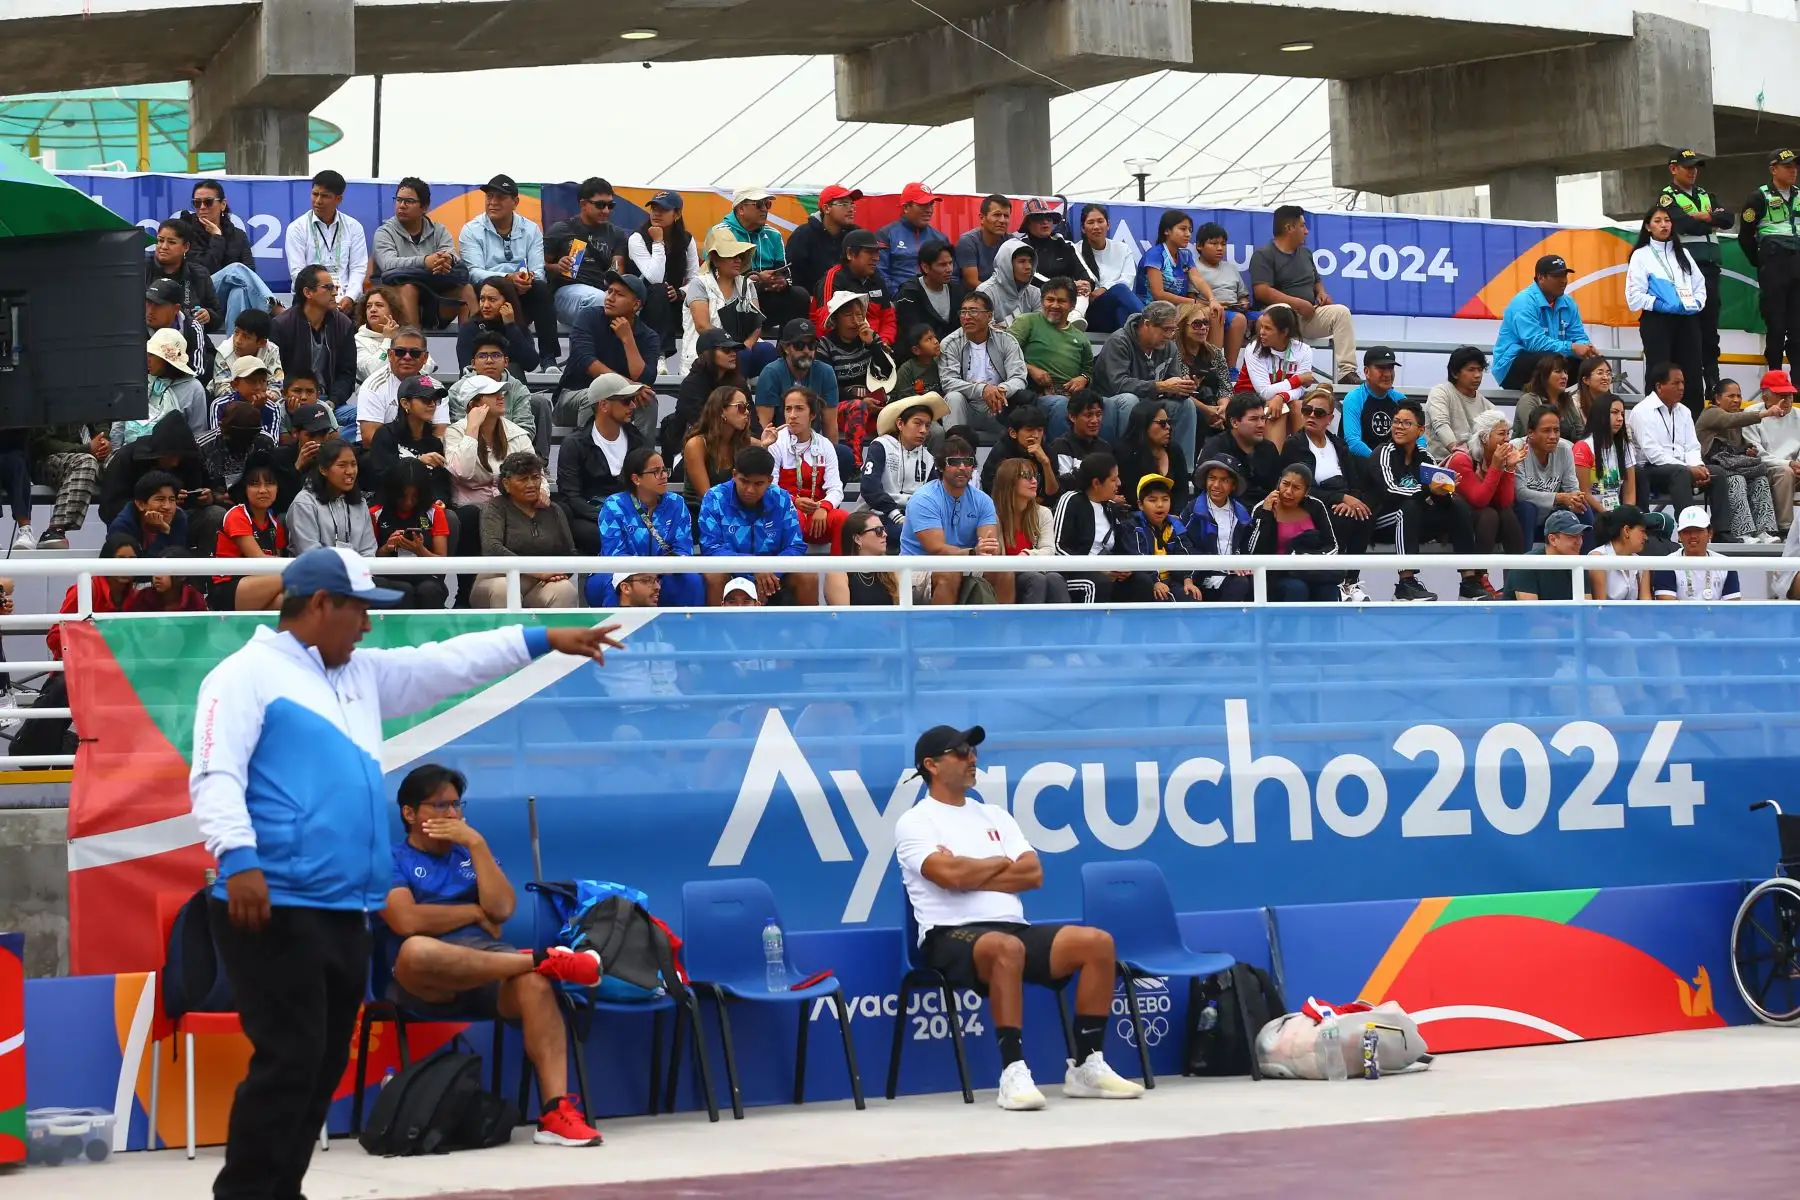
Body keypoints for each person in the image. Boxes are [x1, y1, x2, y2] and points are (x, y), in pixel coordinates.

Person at [189, 547, 620, 1200]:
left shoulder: (359, 675)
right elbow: (214, 772)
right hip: (271, 901)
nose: (368, 625)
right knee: (289, 1059)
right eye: (359, 610)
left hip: (344, 909)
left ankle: (281, 1189)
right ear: (320, 604)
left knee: (321, 1064)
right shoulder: (243, 674)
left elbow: (446, 663)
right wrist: (237, 856)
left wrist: (540, 639)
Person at [894, 724, 1144, 1111]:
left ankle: (1086, 1066)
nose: (972, 758)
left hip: (1012, 929)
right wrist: (997, 863)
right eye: (960, 752)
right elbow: (948, 875)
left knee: (1097, 943)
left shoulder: (995, 814)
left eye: (973, 750)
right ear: (932, 765)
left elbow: (1032, 874)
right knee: (1006, 948)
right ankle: (1013, 1071)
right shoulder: (916, 821)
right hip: (948, 936)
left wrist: (970, 870)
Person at [380, 763, 603, 1147]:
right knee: (416, 949)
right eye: (440, 805)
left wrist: (478, 845)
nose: (452, 814)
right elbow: (406, 920)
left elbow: (501, 910)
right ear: (410, 813)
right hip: (426, 983)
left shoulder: (470, 855)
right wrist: (471, 912)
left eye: (457, 805)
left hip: (488, 973)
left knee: (534, 986)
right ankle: (543, 960)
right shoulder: (390, 859)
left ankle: (555, 1114)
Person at [1370, 399, 1482, 601]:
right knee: (1409, 506)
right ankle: (1405, 583)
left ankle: (1469, 582)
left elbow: (1434, 495)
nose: (1398, 427)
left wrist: (1443, 492)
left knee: (1457, 504)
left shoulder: (1425, 457)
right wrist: (1428, 490)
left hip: (1414, 521)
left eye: (1406, 423)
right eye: (1396, 422)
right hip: (1383, 521)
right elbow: (1390, 491)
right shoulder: (1383, 452)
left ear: (1420, 430)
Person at [1279, 386, 1374, 602]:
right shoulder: (1295, 445)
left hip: (1342, 497)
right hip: (1312, 503)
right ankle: (1337, 580)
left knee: (1364, 514)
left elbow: (1354, 481)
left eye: (1319, 412)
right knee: (1340, 518)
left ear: (1330, 418)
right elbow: (1298, 489)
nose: (1311, 416)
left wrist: (1351, 499)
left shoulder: (1338, 444)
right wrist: (1340, 499)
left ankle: (1351, 580)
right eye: (1307, 410)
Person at [1248, 206, 1359, 385]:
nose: (1306, 231)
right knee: (1283, 309)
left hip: (1308, 314)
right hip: (1278, 317)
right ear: (1289, 228)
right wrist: (1297, 304)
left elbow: (1316, 280)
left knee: (1341, 312)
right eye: (1302, 226)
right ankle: (1291, 373)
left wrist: (1321, 293)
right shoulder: (1263, 254)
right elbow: (1262, 291)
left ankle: (1347, 372)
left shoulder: (1306, 253)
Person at [460, 175, 558, 367]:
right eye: (489, 196)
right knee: (479, 287)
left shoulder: (531, 229)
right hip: (487, 291)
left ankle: (549, 358)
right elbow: (474, 272)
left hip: (521, 291)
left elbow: (538, 271)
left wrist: (527, 279)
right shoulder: (471, 230)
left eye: (500, 197)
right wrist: (507, 278)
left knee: (541, 289)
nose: (493, 202)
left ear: (515, 202)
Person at [697, 444, 811, 605]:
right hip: (731, 574)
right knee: (714, 576)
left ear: (769, 481)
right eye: (744, 481)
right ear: (734, 475)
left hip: (773, 576)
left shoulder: (781, 498)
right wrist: (753, 566)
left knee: (808, 576)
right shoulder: (714, 497)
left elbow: (795, 546)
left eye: (758, 484)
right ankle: (717, 622)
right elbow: (711, 548)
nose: (750, 490)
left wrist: (771, 572)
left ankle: (807, 623)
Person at [1659, 149, 1733, 393]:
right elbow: (1684, 224)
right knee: (1690, 329)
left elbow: (1729, 218)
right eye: (1687, 167)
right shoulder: (1667, 197)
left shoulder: (1705, 194)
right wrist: (1711, 220)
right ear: (1673, 169)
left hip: (1710, 269)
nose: (1693, 171)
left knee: (1709, 328)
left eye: (1695, 167)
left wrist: (1705, 216)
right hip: (1687, 271)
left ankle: (1712, 382)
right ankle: (1688, 384)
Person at [557, 272, 661, 443]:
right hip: (572, 399)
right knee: (596, 396)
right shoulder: (588, 317)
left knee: (647, 400)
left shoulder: (648, 337)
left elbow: (645, 380)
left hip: (620, 401)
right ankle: (588, 455)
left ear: (636, 305)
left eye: (618, 294)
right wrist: (630, 386)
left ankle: (643, 457)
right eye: (609, 291)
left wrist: (628, 339)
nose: (609, 298)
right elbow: (586, 362)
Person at [595, 448, 703, 607]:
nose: (664, 475)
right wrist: (645, 575)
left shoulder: (676, 503)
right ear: (636, 479)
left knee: (692, 580)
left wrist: (655, 573)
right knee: (622, 586)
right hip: (622, 572)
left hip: (665, 571)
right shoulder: (614, 505)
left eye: (664, 470)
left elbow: (684, 550)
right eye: (656, 472)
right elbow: (615, 555)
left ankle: (690, 623)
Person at [899, 435, 1001, 605]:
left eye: (967, 462)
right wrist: (973, 553)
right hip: (918, 568)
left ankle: (1001, 622)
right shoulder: (924, 498)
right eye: (954, 462)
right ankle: (943, 624)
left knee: (1003, 571)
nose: (962, 467)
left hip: (965, 562)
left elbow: (988, 546)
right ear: (940, 466)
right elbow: (937, 550)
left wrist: (988, 550)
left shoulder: (983, 500)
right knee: (950, 573)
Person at [1627, 204, 1708, 414]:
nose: (1664, 225)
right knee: (1659, 371)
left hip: (1687, 319)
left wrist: (1696, 304)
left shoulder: (1683, 253)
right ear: (1648, 226)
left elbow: (1700, 285)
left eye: (1667, 220)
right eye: (1658, 221)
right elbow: (1633, 296)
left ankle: (1693, 421)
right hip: (1657, 320)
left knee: (1691, 372)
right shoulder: (1641, 255)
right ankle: (1654, 418)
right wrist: (1659, 304)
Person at [473, 453, 577, 609]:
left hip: (542, 582)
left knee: (565, 589)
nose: (531, 484)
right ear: (506, 484)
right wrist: (536, 570)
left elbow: (570, 552)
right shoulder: (495, 507)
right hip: (498, 578)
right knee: (505, 588)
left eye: (535, 478)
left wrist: (559, 574)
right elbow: (492, 548)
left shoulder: (553, 510)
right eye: (523, 479)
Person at [559, 375, 648, 556]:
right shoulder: (575, 444)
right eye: (626, 401)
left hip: (632, 513)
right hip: (591, 518)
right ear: (604, 405)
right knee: (600, 534)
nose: (633, 406)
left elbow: (646, 486)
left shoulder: (636, 439)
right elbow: (570, 497)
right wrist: (607, 515)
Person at [372, 177, 475, 328]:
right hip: (397, 295)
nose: (402, 205)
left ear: (424, 207)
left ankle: (475, 340)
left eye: (409, 201)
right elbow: (388, 264)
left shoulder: (439, 230)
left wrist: (447, 259)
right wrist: (425, 262)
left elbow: (450, 252)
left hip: (435, 294)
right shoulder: (384, 232)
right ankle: (412, 341)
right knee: (408, 289)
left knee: (466, 290)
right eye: (399, 200)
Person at [716, 187, 812, 340]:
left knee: (799, 295)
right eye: (758, 205)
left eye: (767, 204)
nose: (765, 210)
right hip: (732, 296)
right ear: (741, 209)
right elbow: (714, 277)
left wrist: (782, 282)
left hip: (765, 295)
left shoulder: (773, 234)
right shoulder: (721, 233)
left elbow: (786, 275)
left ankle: (789, 348)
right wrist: (756, 279)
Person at [1628, 361, 1723, 515]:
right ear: (1659, 387)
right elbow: (1653, 454)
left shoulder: (1684, 411)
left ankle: (1721, 528)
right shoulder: (1643, 411)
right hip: (1651, 471)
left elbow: (1692, 446)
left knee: (1717, 473)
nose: (1681, 387)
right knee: (1680, 472)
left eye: (1683, 383)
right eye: (1676, 383)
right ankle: (1688, 525)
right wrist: (1689, 469)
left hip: (1681, 470)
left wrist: (1697, 466)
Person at [1491, 254, 1598, 390]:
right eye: (1557, 276)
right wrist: (1572, 347)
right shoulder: (1524, 301)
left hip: (1551, 360)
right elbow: (1534, 343)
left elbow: (1578, 336)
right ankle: (1551, 400)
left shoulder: (1568, 303)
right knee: (1552, 360)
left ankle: (1584, 403)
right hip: (1512, 366)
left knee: (1591, 363)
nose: (1563, 281)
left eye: (1565, 275)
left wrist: (1587, 349)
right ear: (1540, 277)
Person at [1695, 377, 1783, 543]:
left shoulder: (1736, 419)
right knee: (1736, 480)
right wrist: (1765, 413)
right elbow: (1730, 420)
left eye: (1739, 396)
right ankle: (1742, 533)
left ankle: (1764, 531)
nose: (1736, 400)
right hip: (1710, 471)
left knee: (1760, 480)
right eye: (1731, 396)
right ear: (1717, 399)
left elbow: (1738, 446)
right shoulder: (1710, 413)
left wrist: (1748, 450)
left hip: (1731, 467)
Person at [182, 179, 271, 332]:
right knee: (235, 269)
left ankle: (234, 345)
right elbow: (203, 271)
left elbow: (249, 271)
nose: (202, 207)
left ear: (223, 204)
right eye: (197, 203)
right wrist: (217, 237)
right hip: (200, 295)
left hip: (225, 299)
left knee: (238, 292)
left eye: (208, 202)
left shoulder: (238, 235)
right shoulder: (187, 233)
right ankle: (271, 308)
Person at [1740, 149, 1800, 373]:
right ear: (1773, 170)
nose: (1793, 170)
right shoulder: (1759, 197)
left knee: (1798, 329)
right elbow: (1745, 236)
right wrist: (1760, 262)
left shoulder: (1799, 195)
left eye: (1795, 166)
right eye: (1788, 166)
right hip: (1774, 266)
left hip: (1797, 265)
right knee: (1776, 327)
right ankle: (1775, 378)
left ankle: (1797, 383)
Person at [939, 292, 1029, 440]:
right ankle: (955, 448)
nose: (967, 317)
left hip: (998, 405)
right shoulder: (950, 343)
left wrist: (1000, 391)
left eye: (973, 311)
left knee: (1021, 399)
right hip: (967, 405)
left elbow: (1019, 378)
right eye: (963, 312)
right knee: (953, 397)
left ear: (989, 316)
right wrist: (983, 389)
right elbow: (948, 382)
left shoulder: (1007, 341)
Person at [1052, 452, 1140, 604]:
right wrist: (1096, 568)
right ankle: (1089, 621)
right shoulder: (1070, 500)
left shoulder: (1111, 508)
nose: (1119, 483)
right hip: (1073, 574)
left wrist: (1124, 567)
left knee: (1140, 582)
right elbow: (1058, 548)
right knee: (1097, 583)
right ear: (1096, 483)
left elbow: (1122, 546)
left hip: (1106, 570)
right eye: (1113, 479)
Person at [1446, 410, 1526, 572]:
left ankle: (1519, 576)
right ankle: (1478, 576)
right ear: (1484, 437)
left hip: (1482, 518)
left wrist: (1509, 468)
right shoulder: (1461, 459)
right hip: (1454, 520)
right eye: (1501, 434)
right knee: (1489, 514)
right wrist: (1496, 467)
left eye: (1508, 433)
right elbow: (1479, 500)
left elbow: (1504, 502)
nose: (1507, 439)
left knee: (1507, 514)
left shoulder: (1496, 456)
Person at [1248, 463, 1342, 602]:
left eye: (1296, 488)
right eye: (1285, 484)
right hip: (1276, 574)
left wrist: (1304, 558)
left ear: (1306, 491)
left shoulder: (1316, 506)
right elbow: (1253, 551)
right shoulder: (1262, 508)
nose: (1288, 491)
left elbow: (1332, 546)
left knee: (1329, 589)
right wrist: (1266, 514)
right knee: (1297, 588)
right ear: (1278, 482)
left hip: (1311, 571)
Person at [545, 176, 630, 329]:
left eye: (610, 205)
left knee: (627, 304)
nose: (606, 210)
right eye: (600, 205)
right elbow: (538, 266)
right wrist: (557, 267)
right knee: (601, 301)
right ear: (583, 204)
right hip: (567, 292)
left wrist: (614, 278)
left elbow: (618, 269)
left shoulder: (616, 234)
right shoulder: (561, 229)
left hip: (604, 290)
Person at [271, 266, 358, 413]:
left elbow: (347, 374)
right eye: (328, 287)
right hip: (291, 402)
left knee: (359, 417)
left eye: (335, 287)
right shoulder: (282, 325)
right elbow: (276, 373)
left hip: (329, 403)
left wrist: (332, 402)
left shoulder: (343, 324)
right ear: (307, 292)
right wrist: (292, 401)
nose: (335, 292)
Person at [683, 385, 772, 528]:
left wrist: (764, 446)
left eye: (747, 407)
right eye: (740, 407)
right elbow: (707, 496)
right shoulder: (697, 445)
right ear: (721, 411)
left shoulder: (747, 443)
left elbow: (760, 476)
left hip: (736, 512)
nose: (747, 412)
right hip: (701, 513)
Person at [210, 452, 289, 611]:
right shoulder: (236, 515)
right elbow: (259, 560)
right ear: (245, 489)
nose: (263, 490)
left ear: (277, 488)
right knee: (294, 577)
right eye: (255, 484)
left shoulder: (275, 525)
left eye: (269, 484)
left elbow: (276, 564)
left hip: (262, 586)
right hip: (229, 589)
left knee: (290, 603)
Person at [769, 387, 845, 549]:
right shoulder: (775, 443)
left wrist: (824, 507)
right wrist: (794, 501)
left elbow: (836, 488)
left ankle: (838, 566)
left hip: (817, 514)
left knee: (843, 519)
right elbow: (770, 487)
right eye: (788, 409)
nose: (792, 415)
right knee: (793, 517)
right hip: (786, 511)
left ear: (812, 414)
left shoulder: (825, 444)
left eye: (799, 408)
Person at [450, 330, 544, 460]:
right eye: (482, 356)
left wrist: (503, 453)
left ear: (506, 362)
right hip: (473, 453)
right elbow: (459, 430)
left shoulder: (518, 388)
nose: (489, 361)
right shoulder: (458, 390)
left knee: (541, 402)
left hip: (511, 454)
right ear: (473, 363)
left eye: (495, 355)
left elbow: (525, 430)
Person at [629, 190, 699, 363]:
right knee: (659, 290)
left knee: (703, 298)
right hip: (642, 305)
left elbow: (695, 278)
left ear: (677, 214)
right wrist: (658, 242)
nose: (656, 213)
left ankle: (697, 359)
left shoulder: (686, 239)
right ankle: (658, 355)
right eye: (654, 209)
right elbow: (655, 277)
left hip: (675, 305)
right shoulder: (637, 238)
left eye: (663, 209)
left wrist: (681, 292)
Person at [862, 393, 945, 539]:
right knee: (911, 534)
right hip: (877, 514)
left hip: (913, 514)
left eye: (927, 425)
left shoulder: (929, 458)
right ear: (900, 424)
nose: (923, 430)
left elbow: (933, 496)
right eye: (917, 423)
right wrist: (896, 515)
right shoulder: (881, 446)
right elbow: (870, 489)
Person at [448, 376, 536, 510]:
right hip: (472, 509)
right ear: (473, 404)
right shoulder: (454, 432)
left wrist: (542, 492)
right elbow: (462, 472)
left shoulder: (516, 433)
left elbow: (535, 471)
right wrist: (472, 429)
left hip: (510, 508)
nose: (501, 396)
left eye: (500, 392)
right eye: (492, 393)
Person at [683, 225, 762, 374]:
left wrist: (746, 345)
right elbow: (702, 326)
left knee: (766, 351)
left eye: (740, 256)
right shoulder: (699, 284)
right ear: (715, 260)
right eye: (732, 256)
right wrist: (731, 346)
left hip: (743, 347)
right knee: (740, 355)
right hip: (711, 349)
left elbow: (756, 324)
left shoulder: (748, 284)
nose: (738, 260)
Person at [284, 170, 367, 311]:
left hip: (344, 300)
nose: (318, 201)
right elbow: (297, 272)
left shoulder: (354, 227)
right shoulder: (297, 228)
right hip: (309, 299)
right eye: (315, 194)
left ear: (338, 199)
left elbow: (358, 268)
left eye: (325, 196)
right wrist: (322, 297)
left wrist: (350, 297)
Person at [1513, 404, 1591, 548]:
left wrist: (1575, 498)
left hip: (1550, 515)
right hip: (1522, 517)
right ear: (1531, 433)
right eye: (1546, 431)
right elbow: (1520, 494)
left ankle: (1588, 560)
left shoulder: (1564, 449)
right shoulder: (1517, 449)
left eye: (1556, 430)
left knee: (1583, 508)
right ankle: (1524, 561)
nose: (1553, 436)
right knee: (1527, 508)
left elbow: (1572, 487)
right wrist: (1560, 497)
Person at [991, 457, 1066, 604]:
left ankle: (1065, 620)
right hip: (1005, 578)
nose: (1034, 481)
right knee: (1036, 579)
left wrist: (1027, 555)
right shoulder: (992, 515)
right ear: (1009, 481)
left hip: (1035, 571)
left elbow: (1049, 550)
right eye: (1026, 476)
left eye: (1035, 476)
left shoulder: (1043, 513)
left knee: (1055, 579)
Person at [145, 219, 220, 364]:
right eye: (160, 240)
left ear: (186, 247)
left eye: (171, 242)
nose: (163, 247)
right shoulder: (141, 269)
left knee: (209, 362)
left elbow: (217, 317)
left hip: (188, 345)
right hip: (148, 343)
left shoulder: (199, 274)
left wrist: (208, 315)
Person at [1012, 278, 1095, 408]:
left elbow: (1088, 371)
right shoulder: (1027, 322)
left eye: (1061, 301)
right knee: (1061, 404)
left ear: (1072, 305)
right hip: (1034, 395)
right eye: (1050, 300)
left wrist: (1084, 378)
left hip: (1073, 398)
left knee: (1109, 405)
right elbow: (1004, 353)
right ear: (1042, 302)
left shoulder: (1081, 338)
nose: (1055, 305)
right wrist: (1029, 369)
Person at [1240, 305, 1316, 446]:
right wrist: (1298, 379)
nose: (1261, 332)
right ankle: (1275, 458)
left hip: (1282, 401)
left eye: (1268, 328)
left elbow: (1300, 390)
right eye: (1261, 327)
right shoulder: (1253, 348)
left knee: (1297, 405)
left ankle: (1303, 456)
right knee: (1278, 409)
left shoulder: (1304, 350)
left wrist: (1281, 397)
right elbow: (1264, 392)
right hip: (1249, 399)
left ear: (1284, 332)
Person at [126, 328, 212, 451]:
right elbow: (123, 420)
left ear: (166, 360)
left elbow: (198, 434)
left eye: (152, 355)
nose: (147, 359)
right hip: (130, 453)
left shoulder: (193, 389)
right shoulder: (142, 380)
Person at [287, 437, 376, 557]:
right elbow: (311, 553)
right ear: (323, 469)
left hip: (356, 569)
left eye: (353, 464)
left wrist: (358, 568)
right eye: (342, 465)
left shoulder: (360, 502)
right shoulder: (304, 503)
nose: (350, 471)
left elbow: (368, 550)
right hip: (316, 568)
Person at [353, 327, 441, 446]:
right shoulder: (373, 386)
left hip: (425, 449)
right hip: (381, 452)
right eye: (400, 352)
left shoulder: (436, 388)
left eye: (415, 353)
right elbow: (370, 438)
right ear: (390, 355)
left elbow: (440, 434)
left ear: (425, 358)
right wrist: (408, 454)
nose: (407, 357)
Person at [1185, 456, 1254, 602]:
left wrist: (1239, 562)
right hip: (1201, 575)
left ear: (1233, 485)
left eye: (1224, 480)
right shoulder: (1193, 510)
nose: (1216, 485)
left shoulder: (1241, 513)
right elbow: (1184, 545)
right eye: (1212, 478)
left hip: (1234, 575)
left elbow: (1245, 547)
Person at [1016, 200, 1094, 329]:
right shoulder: (1020, 247)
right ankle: (1068, 323)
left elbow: (1086, 274)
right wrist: (1067, 286)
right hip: (1038, 299)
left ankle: (1074, 318)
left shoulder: (1065, 244)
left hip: (1069, 299)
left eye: (1049, 217)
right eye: (1038, 218)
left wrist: (1086, 284)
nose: (1045, 222)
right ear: (1028, 223)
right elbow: (1030, 277)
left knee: (1083, 288)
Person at [25, 424, 102, 550]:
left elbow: (101, 421)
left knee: (118, 462)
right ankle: (55, 530)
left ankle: (122, 537)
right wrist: (86, 448)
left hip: (85, 453)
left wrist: (103, 441)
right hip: (45, 459)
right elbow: (41, 444)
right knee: (86, 461)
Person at [755, 319, 840, 434]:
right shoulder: (771, 373)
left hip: (813, 441)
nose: (806, 351)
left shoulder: (825, 372)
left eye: (811, 345)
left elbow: (830, 425)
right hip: (778, 441)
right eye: (799, 345)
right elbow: (764, 426)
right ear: (785, 348)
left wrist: (830, 446)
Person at [814, 229, 898, 344]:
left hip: (876, 344)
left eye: (877, 253)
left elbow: (888, 320)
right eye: (869, 252)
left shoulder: (878, 279)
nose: (876, 258)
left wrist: (882, 342)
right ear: (850, 254)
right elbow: (826, 323)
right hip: (845, 348)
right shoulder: (833, 279)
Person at [671, 328, 746, 454]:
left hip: (734, 446)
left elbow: (753, 421)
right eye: (726, 350)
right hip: (694, 449)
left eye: (735, 349)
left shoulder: (739, 383)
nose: (733, 354)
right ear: (708, 353)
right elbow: (703, 425)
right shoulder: (691, 385)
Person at [1745, 369, 1800, 531]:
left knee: (1788, 471)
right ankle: (1785, 527)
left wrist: (1798, 464)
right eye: (1782, 395)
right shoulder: (1752, 414)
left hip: (1795, 467)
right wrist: (1789, 464)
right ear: (1765, 397)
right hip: (1767, 469)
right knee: (1785, 472)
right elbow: (1757, 453)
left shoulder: (1799, 415)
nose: (1788, 400)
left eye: (1790, 395)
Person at [1130, 474, 1199, 602]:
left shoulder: (1175, 525)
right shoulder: (1132, 526)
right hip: (1146, 583)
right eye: (1153, 500)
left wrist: (1188, 579)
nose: (1160, 505)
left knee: (1191, 596)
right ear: (1140, 504)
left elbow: (1186, 552)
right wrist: (1155, 582)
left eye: (1165, 499)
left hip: (1171, 581)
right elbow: (1138, 556)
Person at [1075, 203, 1142, 334]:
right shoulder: (1075, 250)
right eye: (1091, 222)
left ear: (1108, 224)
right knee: (1120, 290)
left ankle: (1131, 340)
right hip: (1092, 313)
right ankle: (1151, 323)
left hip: (1115, 311)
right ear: (1083, 228)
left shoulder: (1123, 249)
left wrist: (1104, 289)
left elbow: (1128, 280)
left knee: (1121, 307)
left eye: (1100, 221)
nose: (1096, 226)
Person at [1200, 394, 1282, 502]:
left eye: (1263, 418)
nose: (1261, 424)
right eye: (1254, 419)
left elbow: (1275, 489)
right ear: (1234, 422)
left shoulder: (1269, 448)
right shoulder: (1216, 449)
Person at [1652, 505, 1740, 601]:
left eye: (1698, 530)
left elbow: (1733, 606)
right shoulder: (1667, 564)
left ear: (1710, 533)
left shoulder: (1726, 564)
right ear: (1679, 535)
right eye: (1687, 531)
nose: (1693, 535)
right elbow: (1668, 607)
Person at [1117, 400, 1190, 514]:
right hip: (1136, 516)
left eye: (1168, 422)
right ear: (1144, 424)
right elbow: (1129, 496)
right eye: (1162, 423)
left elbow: (1182, 491)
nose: (1168, 427)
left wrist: (1175, 516)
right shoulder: (1124, 453)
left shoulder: (1174, 450)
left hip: (1170, 517)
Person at [787, 184, 861, 297]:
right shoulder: (802, 235)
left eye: (852, 204)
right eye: (844, 204)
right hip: (812, 301)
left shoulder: (857, 235)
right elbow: (793, 276)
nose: (851, 209)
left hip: (852, 300)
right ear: (826, 208)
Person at [1193, 222, 1250, 367]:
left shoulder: (1231, 268)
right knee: (1225, 316)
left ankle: (1232, 369)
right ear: (1199, 246)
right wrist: (1213, 304)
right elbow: (1191, 298)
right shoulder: (1194, 268)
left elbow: (1243, 295)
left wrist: (1243, 303)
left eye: (1223, 244)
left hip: (1234, 309)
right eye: (1214, 243)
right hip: (1209, 310)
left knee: (1258, 318)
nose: (1220, 248)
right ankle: (1217, 367)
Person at [456, 278, 539, 376]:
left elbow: (531, 364)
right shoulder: (470, 328)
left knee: (513, 369)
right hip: (477, 383)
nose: (485, 305)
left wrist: (511, 326)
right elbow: (466, 369)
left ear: (507, 302)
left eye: (492, 299)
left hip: (510, 384)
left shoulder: (516, 327)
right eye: (482, 299)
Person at [1424, 346, 1494, 461]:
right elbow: (1441, 424)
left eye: (1480, 370)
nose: (1477, 375)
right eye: (1471, 370)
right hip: (1440, 463)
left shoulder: (1488, 406)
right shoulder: (1440, 392)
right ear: (1455, 373)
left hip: (1474, 465)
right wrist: (1458, 452)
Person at [878, 183, 948, 295]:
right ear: (906, 208)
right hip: (898, 299)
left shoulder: (940, 238)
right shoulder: (886, 234)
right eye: (923, 204)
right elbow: (880, 273)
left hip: (934, 298)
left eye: (931, 204)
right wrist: (899, 297)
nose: (929, 210)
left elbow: (950, 274)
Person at [210, 309, 286, 411]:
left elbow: (276, 383)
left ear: (261, 343)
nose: (238, 341)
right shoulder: (224, 351)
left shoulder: (271, 350)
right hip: (231, 405)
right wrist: (249, 399)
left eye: (246, 337)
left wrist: (267, 397)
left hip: (263, 401)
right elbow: (222, 388)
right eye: (236, 332)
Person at [1172, 303, 1229, 438]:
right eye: (1197, 324)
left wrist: (1222, 409)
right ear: (1182, 327)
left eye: (1206, 323)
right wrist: (1207, 411)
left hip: (1217, 411)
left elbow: (1225, 387)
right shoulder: (1172, 352)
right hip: (1188, 410)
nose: (1204, 328)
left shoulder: (1215, 352)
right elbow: (1178, 392)